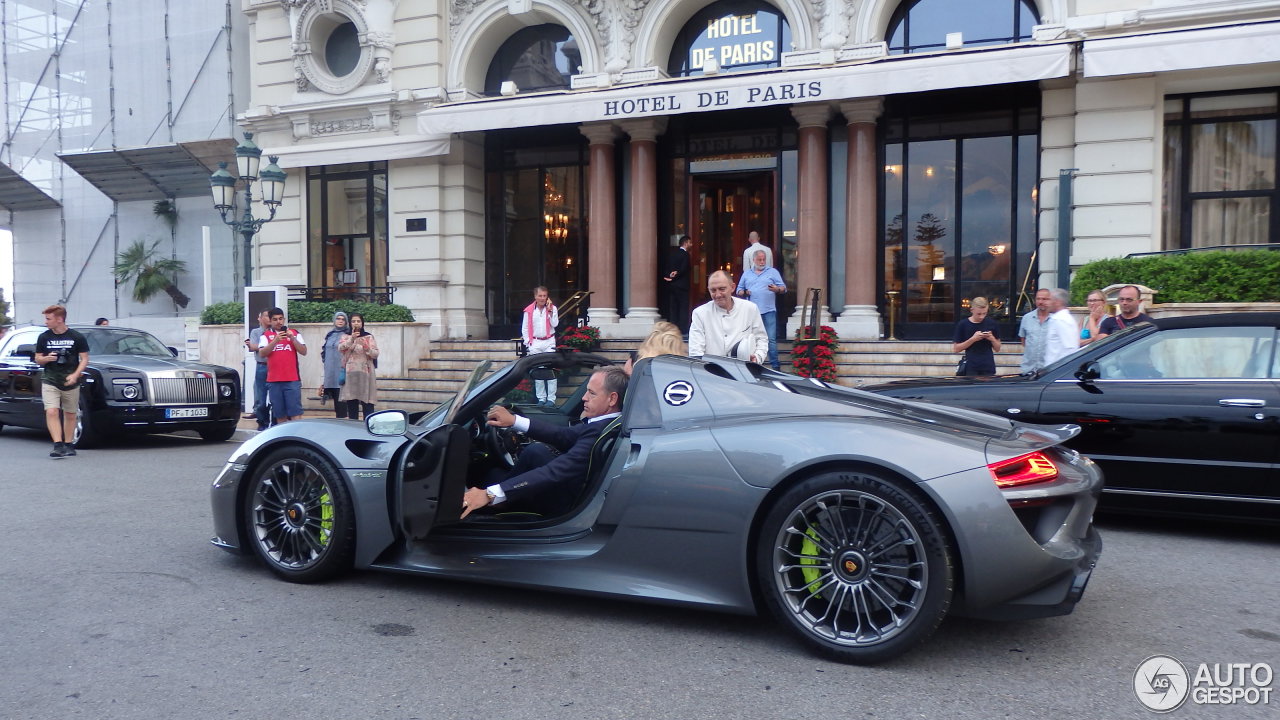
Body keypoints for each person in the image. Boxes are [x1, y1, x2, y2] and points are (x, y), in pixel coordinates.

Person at [461, 366, 628, 518]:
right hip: (574, 491)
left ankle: (498, 505)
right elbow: (562, 435)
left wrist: (490, 494)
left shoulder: (599, 430)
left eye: (592, 393)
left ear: (612, 399)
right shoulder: (607, 423)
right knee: (535, 452)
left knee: (485, 474)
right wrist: (514, 421)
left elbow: (556, 471)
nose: (584, 398)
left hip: (564, 505)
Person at [34, 304, 89, 458]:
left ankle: (69, 444)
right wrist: (46, 358)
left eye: (48, 319)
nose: (46, 322)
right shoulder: (44, 337)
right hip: (50, 379)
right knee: (51, 411)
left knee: (70, 414)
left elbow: (84, 359)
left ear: (59, 319)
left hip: (70, 380)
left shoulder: (76, 337)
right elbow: (37, 358)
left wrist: (76, 374)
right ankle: (58, 445)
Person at [689, 270, 768, 363]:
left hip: (744, 371)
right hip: (712, 372)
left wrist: (757, 357)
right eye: (713, 290)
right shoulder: (700, 313)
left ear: (733, 287)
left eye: (722, 289)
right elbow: (696, 352)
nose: (718, 295)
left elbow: (761, 339)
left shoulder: (750, 308)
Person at [735, 249, 787, 370]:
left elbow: (784, 288)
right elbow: (738, 290)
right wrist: (745, 292)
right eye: (759, 259)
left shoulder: (773, 272)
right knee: (751, 339)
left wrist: (777, 289)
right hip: (752, 313)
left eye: (764, 259)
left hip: (769, 310)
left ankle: (775, 366)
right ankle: (753, 365)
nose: (762, 262)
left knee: (771, 339)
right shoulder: (747, 274)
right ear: (754, 260)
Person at [257, 306, 307, 424]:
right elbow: (262, 353)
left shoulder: (294, 333)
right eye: (275, 319)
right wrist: (275, 340)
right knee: (280, 415)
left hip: (292, 380)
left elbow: (304, 351)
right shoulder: (265, 335)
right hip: (274, 381)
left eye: (280, 319)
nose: (278, 322)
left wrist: (292, 338)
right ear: (270, 321)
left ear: (284, 319)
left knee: (295, 414)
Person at [522, 286, 558, 406]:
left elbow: (555, 324)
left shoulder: (553, 309)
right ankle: (541, 398)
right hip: (536, 342)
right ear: (535, 296)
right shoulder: (529, 311)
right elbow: (525, 328)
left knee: (549, 369)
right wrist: (528, 342)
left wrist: (550, 311)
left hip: (549, 341)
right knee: (539, 371)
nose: (542, 298)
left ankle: (551, 399)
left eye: (544, 296)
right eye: (540, 296)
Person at [339, 313, 379, 419]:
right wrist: (351, 339)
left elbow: (375, 354)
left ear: (362, 323)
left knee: (368, 403)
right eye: (353, 321)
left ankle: (369, 426)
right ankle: (353, 427)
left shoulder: (368, 337)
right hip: (351, 374)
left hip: (366, 373)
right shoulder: (345, 336)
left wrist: (366, 347)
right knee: (352, 403)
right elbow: (340, 349)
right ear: (350, 323)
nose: (356, 323)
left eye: (358, 321)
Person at [952, 296, 1002, 376]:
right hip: (971, 367)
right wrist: (973, 339)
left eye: (984, 313)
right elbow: (956, 349)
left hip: (988, 367)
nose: (981, 316)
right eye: (978, 314)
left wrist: (992, 338)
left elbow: (998, 348)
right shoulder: (963, 325)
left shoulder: (992, 324)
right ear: (972, 310)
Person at [244, 309, 272, 430]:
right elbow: (253, 347)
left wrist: (257, 346)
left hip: (274, 366)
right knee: (261, 396)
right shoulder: (256, 332)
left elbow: (255, 346)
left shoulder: (274, 332)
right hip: (261, 366)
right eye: (266, 316)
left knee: (274, 396)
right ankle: (262, 422)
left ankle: (273, 421)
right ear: (260, 318)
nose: (269, 318)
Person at [320, 311, 350, 418]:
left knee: (341, 401)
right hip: (330, 372)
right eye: (338, 319)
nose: (340, 321)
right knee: (335, 403)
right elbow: (324, 352)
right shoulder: (330, 334)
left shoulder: (348, 334)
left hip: (342, 371)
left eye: (343, 319)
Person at [663, 235, 692, 335]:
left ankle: (672, 329)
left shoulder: (672, 254)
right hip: (682, 286)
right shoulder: (685, 255)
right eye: (690, 242)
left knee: (673, 308)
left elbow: (667, 268)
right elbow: (684, 269)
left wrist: (669, 276)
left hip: (672, 285)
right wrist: (677, 274)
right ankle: (683, 330)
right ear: (686, 243)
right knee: (683, 308)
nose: (691, 244)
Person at [1018, 288, 1052, 373]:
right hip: (1028, 369)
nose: (1041, 302)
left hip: (1049, 370)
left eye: (1044, 299)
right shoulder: (1027, 318)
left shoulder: (1056, 320)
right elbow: (1023, 340)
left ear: (1051, 300)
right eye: (1038, 299)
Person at [1043, 288, 1079, 366]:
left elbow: (1070, 348)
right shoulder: (1057, 319)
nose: (1046, 303)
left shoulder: (1062, 320)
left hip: (1056, 370)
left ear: (1058, 302)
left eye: (1049, 300)